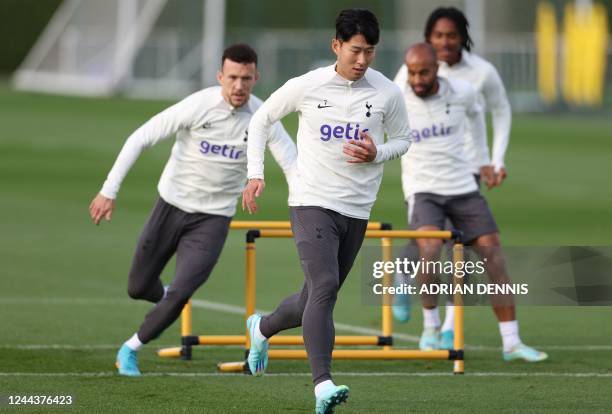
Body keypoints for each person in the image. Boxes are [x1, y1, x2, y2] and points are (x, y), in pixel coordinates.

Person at [88, 44, 297, 376]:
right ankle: (168, 298)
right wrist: (108, 191)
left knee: (183, 291)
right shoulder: (199, 105)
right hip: (170, 206)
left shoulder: (263, 117)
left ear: (256, 78)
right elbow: (141, 137)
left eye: (246, 78)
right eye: (232, 77)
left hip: (213, 220)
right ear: (220, 77)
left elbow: (291, 162)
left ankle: (130, 349)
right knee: (138, 287)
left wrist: (312, 203)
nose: (239, 86)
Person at [241, 9, 411, 414]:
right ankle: (322, 386)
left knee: (312, 297)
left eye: (370, 51)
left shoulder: (387, 93)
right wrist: (255, 174)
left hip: (357, 209)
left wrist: (378, 152)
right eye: (355, 50)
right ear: (336, 46)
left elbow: (403, 140)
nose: (363, 59)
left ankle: (261, 327)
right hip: (311, 200)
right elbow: (262, 117)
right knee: (326, 286)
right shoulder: (308, 85)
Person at [397, 42, 547, 362]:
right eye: (411, 72)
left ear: (437, 69)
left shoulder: (463, 91)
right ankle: (430, 328)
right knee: (429, 250)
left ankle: (511, 343)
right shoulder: (398, 96)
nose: (417, 78)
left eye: (423, 72)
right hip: (423, 189)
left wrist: (483, 160)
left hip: (463, 186)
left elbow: (479, 117)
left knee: (493, 254)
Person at [392, 7, 513, 349]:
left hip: (465, 171)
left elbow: (498, 111)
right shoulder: (413, 68)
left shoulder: (481, 73)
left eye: (451, 35)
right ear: (428, 40)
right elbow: (394, 108)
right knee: (431, 245)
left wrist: (492, 160)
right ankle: (405, 278)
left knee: (462, 250)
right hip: (425, 172)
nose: (444, 42)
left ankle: (447, 326)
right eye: (438, 36)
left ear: (463, 37)